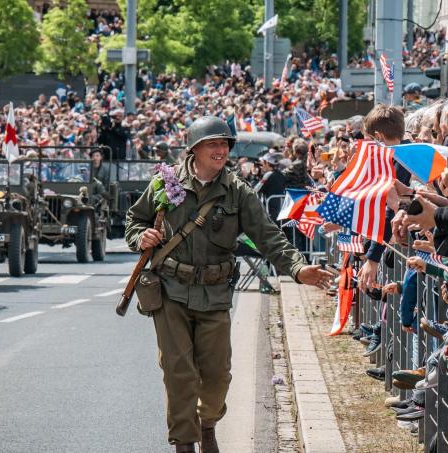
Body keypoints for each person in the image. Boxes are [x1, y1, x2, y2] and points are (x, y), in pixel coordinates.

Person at [124, 116, 333, 453]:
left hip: (215, 293)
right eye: (213, 144)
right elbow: (135, 219)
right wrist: (141, 236)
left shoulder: (237, 191)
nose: (221, 150)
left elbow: (267, 236)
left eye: (225, 144)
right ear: (194, 148)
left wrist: (297, 268)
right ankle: (184, 442)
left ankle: (207, 423)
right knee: (178, 372)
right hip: (170, 290)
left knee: (217, 375)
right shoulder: (165, 183)